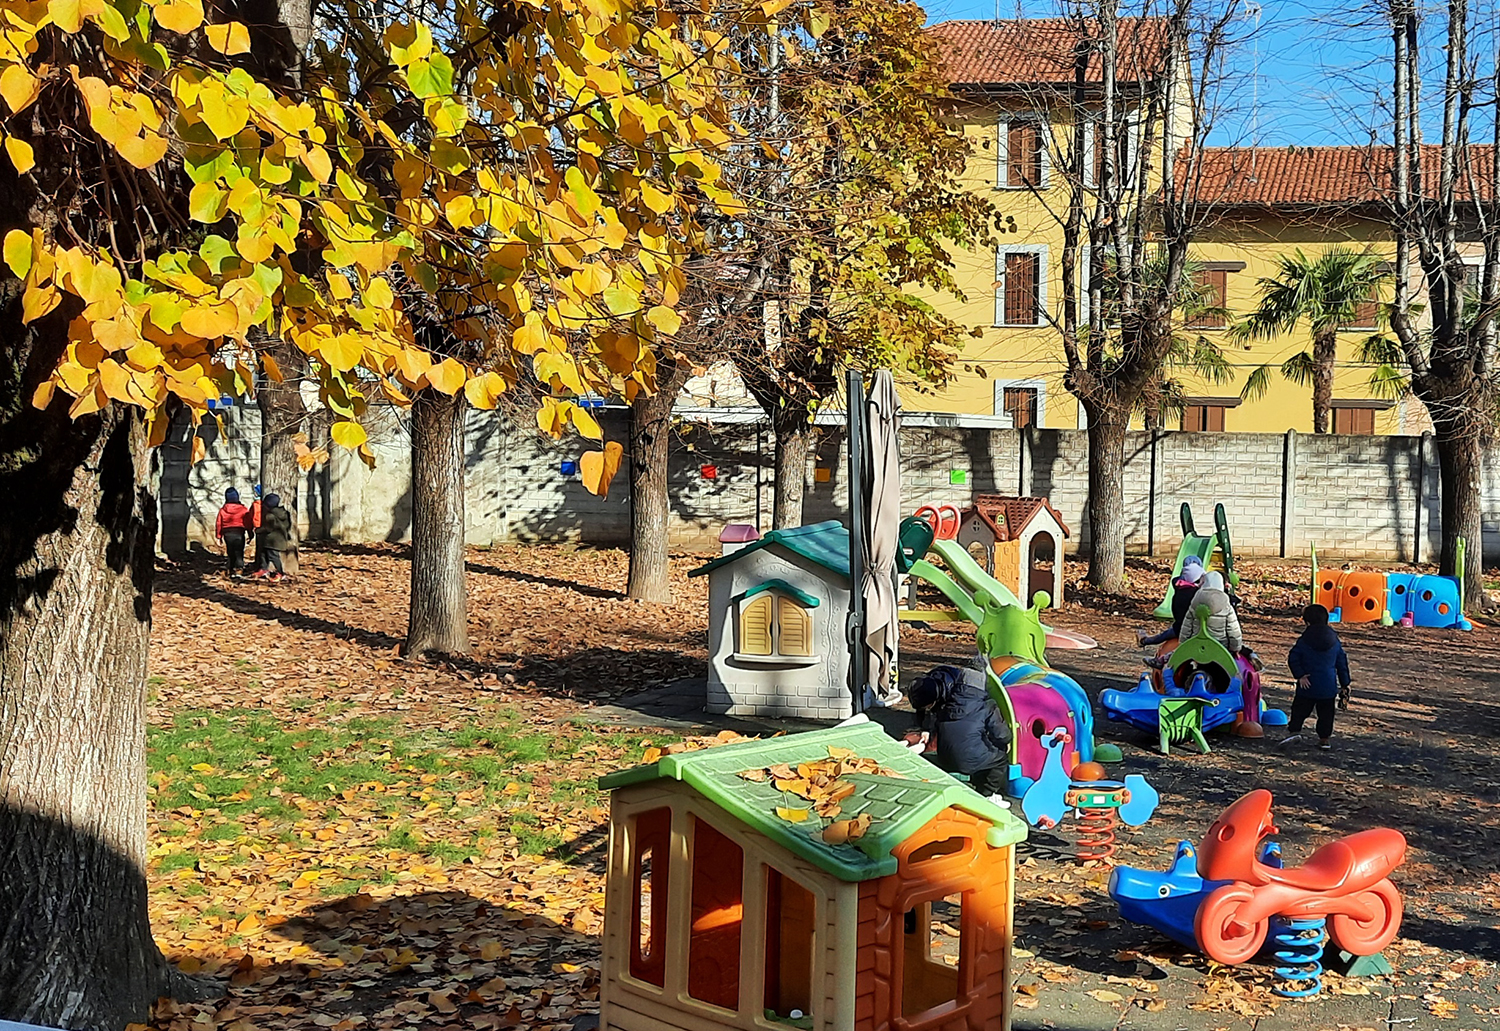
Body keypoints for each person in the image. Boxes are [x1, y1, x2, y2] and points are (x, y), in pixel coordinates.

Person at [908, 662, 1013, 800]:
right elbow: (1001, 735)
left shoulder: (947, 704)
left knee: (973, 747)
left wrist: (928, 732)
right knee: (998, 759)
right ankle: (987, 794)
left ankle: (957, 779)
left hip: (944, 757)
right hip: (969, 758)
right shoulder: (987, 706)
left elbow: (941, 724)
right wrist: (1007, 740)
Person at [1281, 604, 1351, 750]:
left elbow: (1293, 657)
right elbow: (1341, 662)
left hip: (1308, 683)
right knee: (1326, 714)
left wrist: (1300, 675)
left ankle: (1294, 731)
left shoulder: (1305, 639)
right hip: (1328, 685)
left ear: (1307, 621)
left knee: (1299, 710)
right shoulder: (1334, 640)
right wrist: (1345, 683)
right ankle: (1324, 739)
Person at [1137, 556, 1205, 647]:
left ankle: (1145, 641)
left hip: (1179, 625)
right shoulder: (1196, 593)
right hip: (1191, 628)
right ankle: (1158, 657)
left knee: (1166, 634)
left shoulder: (1180, 588)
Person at [254, 493, 293, 581]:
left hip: (271, 541)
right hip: (280, 539)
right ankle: (263, 569)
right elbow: (288, 526)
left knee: (273, 556)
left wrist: (258, 530)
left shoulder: (270, 516)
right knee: (263, 553)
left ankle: (280, 573)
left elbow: (268, 528)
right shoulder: (285, 514)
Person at [215, 488, 251, 576]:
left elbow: (219, 523)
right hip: (239, 532)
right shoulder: (243, 509)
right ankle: (239, 569)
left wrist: (219, 536)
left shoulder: (223, 510)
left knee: (230, 551)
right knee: (239, 551)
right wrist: (250, 533)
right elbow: (248, 522)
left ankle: (230, 568)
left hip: (227, 534)